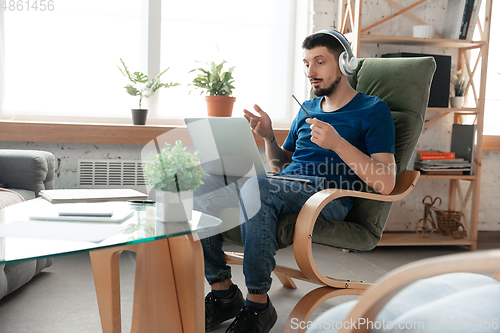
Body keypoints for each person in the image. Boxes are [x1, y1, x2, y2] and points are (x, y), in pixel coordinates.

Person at [195, 30, 396, 333]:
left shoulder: (373, 110)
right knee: (203, 182)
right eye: (306, 64)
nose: (310, 72)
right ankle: (223, 292)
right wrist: (267, 137)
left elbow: (387, 181)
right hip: (287, 185)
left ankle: (257, 304)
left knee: (257, 187)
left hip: (329, 195)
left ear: (345, 63)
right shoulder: (308, 109)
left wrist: (338, 143)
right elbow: (280, 164)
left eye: (319, 62)